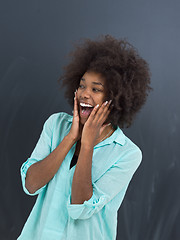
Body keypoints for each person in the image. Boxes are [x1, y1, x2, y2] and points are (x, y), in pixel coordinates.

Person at [17, 35, 152, 240]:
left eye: (95, 89)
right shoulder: (56, 125)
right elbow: (31, 185)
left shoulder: (127, 153)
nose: (84, 94)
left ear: (115, 98)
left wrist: (87, 144)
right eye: (81, 86)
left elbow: (80, 209)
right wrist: (71, 138)